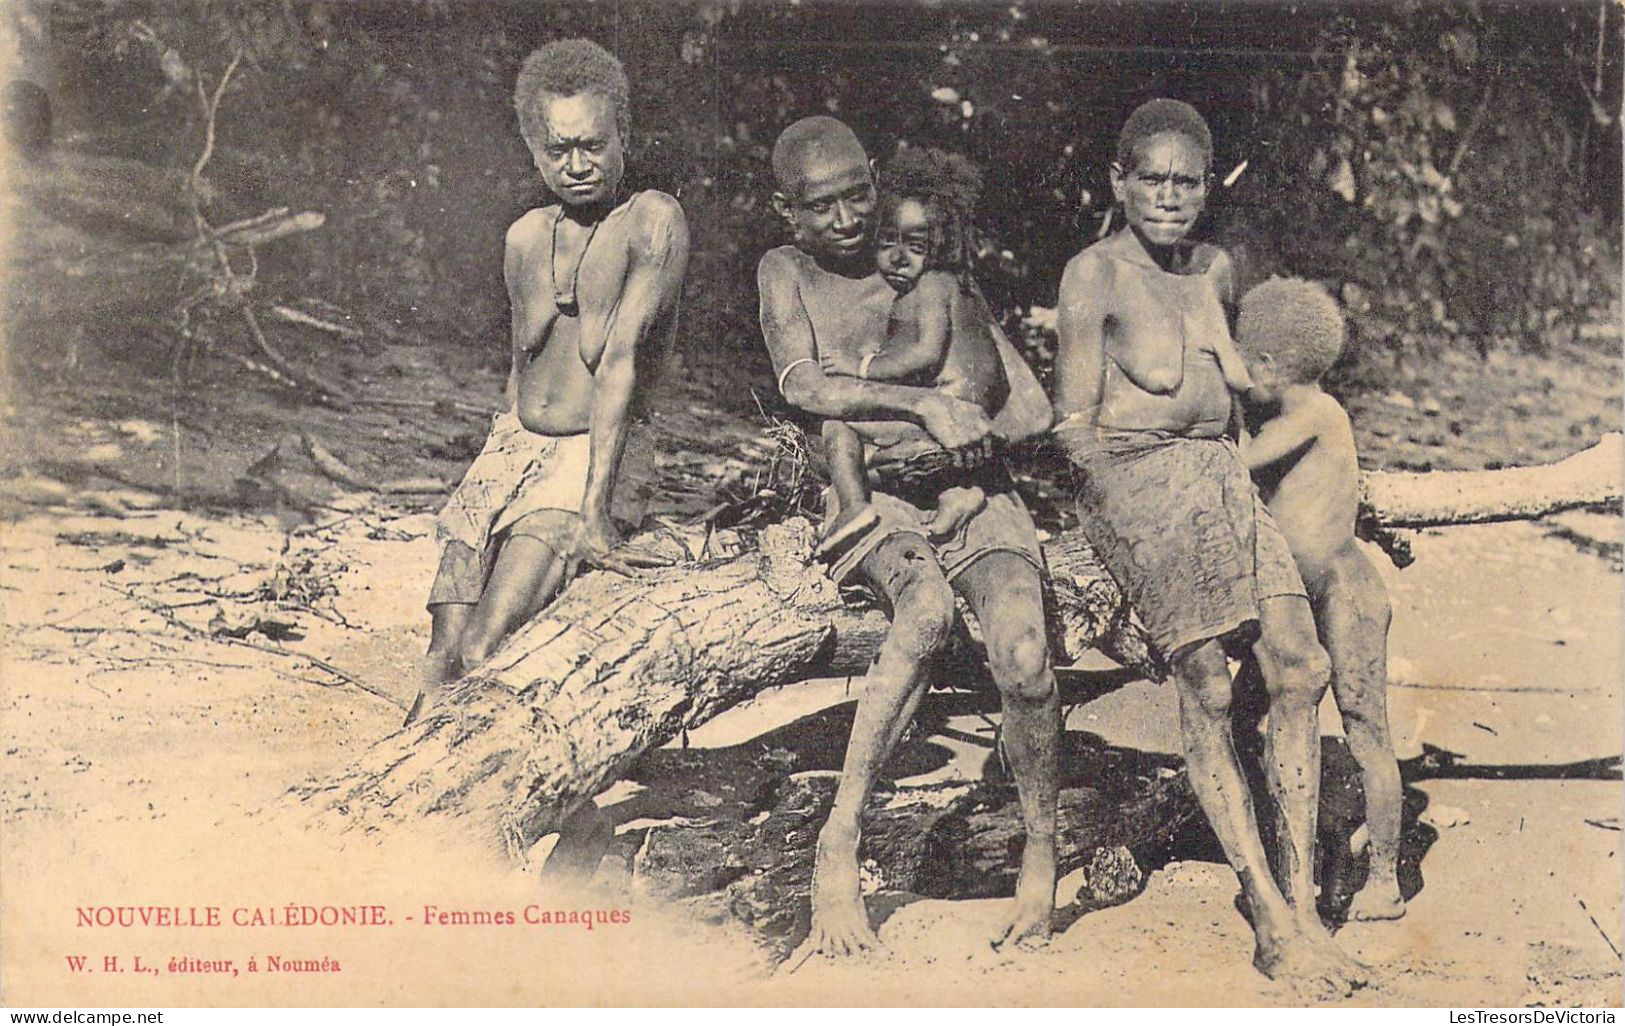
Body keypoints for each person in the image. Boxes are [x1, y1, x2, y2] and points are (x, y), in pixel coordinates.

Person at [1050, 98, 1363, 992]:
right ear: (1118, 181)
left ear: (1206, 191)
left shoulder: (1213, 272)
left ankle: (1304, 907)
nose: (1169, 197)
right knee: (1208, 682)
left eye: (1186, 182)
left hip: (1221, 478)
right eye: (1151, 179)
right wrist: (1133, 521)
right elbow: (1074, 429)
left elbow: (1246, 395)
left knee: (1303, 669)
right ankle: (1266, 915)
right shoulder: (1092, 275)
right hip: (1136, 479)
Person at [759, 116, 1060, 958]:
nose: (849, 219)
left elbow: (1031, 408)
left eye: (861, 194)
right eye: (824, 207)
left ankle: (1041, 842)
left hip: (972, 491)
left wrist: (964, 445)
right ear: (789, 212)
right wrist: (921, 404)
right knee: (923, 613)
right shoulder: (785, 272)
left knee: (1027, 656)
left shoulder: (937, 275)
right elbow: (802, 385)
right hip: (874, 502)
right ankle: (840, 838)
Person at [407, 39, 689, 877]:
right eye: (557, 149)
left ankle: (571, 837)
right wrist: (484, 491)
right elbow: (520, 372)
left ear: (623, 135)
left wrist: (597, 508)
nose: (576, 164)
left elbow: (624, 366)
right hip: (514, 449)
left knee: (493, 647)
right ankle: (422, 833)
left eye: (592, 145)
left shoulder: (652, 221)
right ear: (532, 148)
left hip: (592, 454)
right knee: (440, 658)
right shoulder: (525, 236)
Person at [1232, 277, 1404, 923]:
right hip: (1299, 599)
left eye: (1245, 367)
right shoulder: (1297, 414)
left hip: (1344, 590)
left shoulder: (1314, 414)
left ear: (1270, 364)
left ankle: (1384, 879)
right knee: (1242, 715)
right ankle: (1286, 849)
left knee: (1365, 731)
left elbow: (1240, 462)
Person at [816, 146, 1007, 560]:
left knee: (838, 426)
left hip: (951, 426)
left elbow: (923, 354)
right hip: (969, 432)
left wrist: (860, 367)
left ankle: (853, 510)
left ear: (941, 245)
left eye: (915, 246)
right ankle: (961, 493)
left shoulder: (931, 288)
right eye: (887, 242)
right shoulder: (961, 288)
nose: (898, 257)